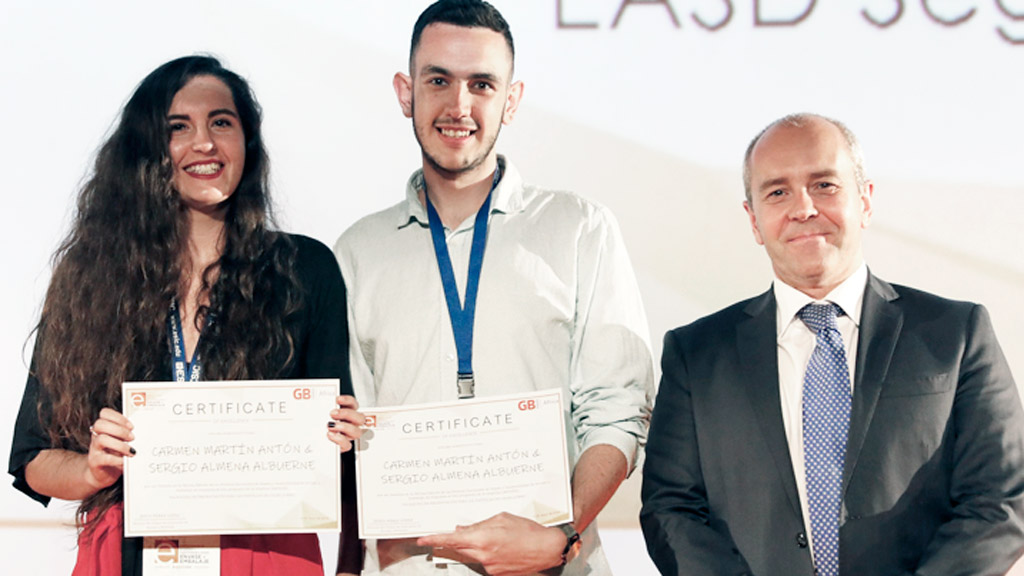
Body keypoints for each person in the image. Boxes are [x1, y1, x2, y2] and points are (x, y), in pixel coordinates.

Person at [7, 55, 364, 576]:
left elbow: (339, 460)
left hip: (266, 551)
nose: (204, 143)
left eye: (222, 122)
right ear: (148, 150)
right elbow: (35, 460)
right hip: (127, 549)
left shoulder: (304, 270)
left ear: (248, 141)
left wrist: (342, 437)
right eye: (179, 128)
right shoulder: (91, 278)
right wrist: (92, 469)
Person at [334, 0, 654, 574]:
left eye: (482, 84)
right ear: (406, 92)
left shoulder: (579, 228)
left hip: (554, 566)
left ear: (512, 100)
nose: (459, 106)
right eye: (439, 80)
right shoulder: (356, 250)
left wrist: (562, 532)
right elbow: (348, 425)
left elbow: (617, 411)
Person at [640, 112, 1024, 575]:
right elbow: (671, 509)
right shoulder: (696, 354)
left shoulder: (955, 333)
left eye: (824, 185)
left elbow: (1002, 498)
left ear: (865, 200)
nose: (803, 208)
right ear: (754, 220)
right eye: (778, 192)